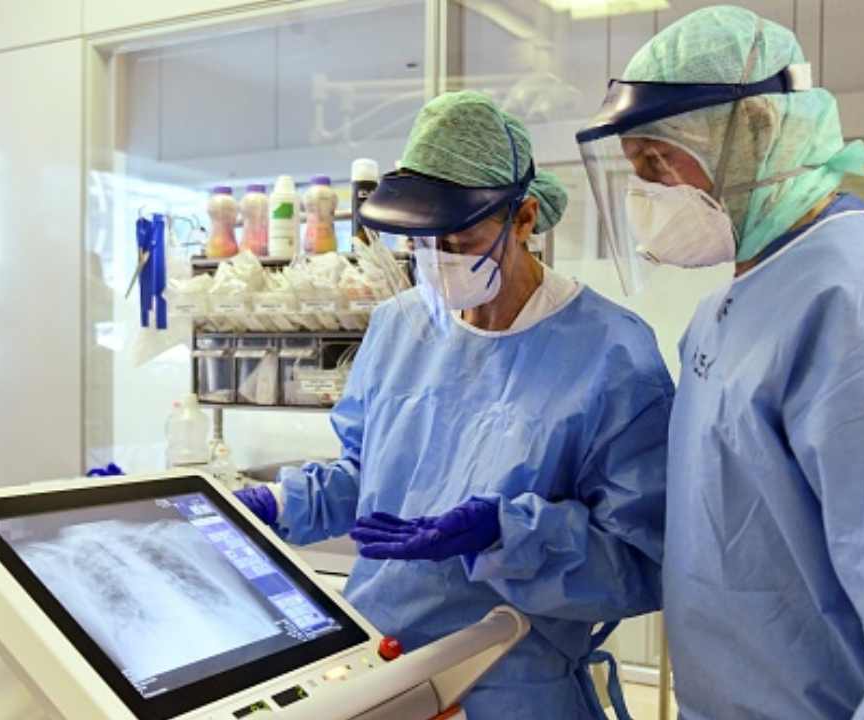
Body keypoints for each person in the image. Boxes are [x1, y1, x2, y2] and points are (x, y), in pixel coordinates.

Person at [571, 6, 864, 718]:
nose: (646, 192)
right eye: (635, 168)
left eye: (656, 161)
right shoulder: (729, 308)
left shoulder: (863, 304)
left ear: (757, 131)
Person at [235, 91, 672, 720]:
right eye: (422, 241)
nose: (438, 260)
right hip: (382, 674)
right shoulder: (399, 327)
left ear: (523, 219)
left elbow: (640, 557)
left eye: (461, 240)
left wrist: (507, 534)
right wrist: (280, 503)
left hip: (512, 684)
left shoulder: (611, 353)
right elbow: (371, 478)